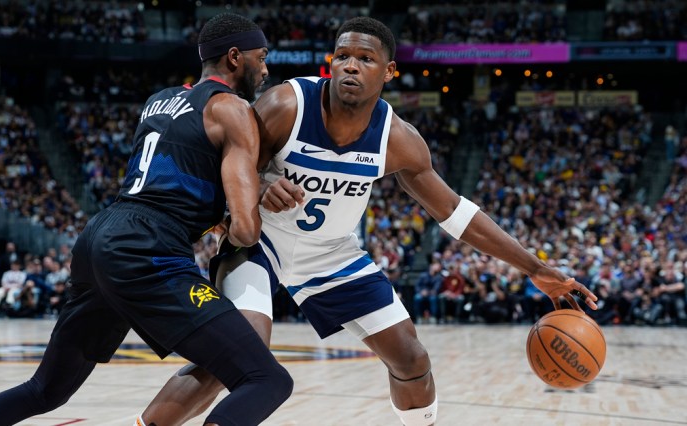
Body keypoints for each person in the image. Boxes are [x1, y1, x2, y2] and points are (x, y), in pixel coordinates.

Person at [140, 17, 598, 425]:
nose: (350, 66)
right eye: (342, 56)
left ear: (389, 71)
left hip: (333, 256)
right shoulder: (287, 105)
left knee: (412, 359)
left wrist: (537, 269)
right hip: (262, 245)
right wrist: (259, 185)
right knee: (236, 354)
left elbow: (456, 214)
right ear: (330, 63)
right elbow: (224, 157)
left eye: (365, 58)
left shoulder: (398, 139)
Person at [0, 13, 293, 426]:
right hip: (148, 248)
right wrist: (254, 205)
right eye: (261, 57)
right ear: (236, 57)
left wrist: (213, 210)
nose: (266, 68)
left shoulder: (159, 99)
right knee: (267, 379)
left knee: (45, 390)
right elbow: (244, 229)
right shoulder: (232, 110)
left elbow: (177, 175)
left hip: (100, 235)